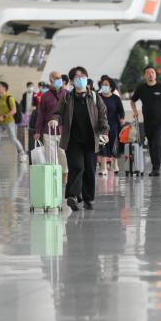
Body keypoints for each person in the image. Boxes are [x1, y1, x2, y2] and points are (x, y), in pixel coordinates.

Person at [48, 66, 109, 212]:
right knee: (77, 167)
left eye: (83, 76)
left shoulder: (95, 97)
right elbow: (58, 113)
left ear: (87, 79)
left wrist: (104, 131)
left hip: (91, 139)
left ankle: (88, 198)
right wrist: (55, 120)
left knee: (89, 169)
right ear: (71, 82)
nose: (80, 79)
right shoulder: (67, 97)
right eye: (77, 77)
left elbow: (102, 117)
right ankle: (73, 196)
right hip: (73, 139)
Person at [130, 66, 161, 177]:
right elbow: (132, 101)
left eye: (152, 73)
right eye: (148, 73)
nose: (150, 75)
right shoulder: (141, 88)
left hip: (160, 121)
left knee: (157, 142)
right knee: (151, 144)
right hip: (147, 121)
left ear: (155, 75)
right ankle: (155, 167)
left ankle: (156, 167)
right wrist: (135, 111)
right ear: (145, 75)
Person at [35, 71, 69, 183]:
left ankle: (65, 174)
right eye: (55, 78)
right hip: (48, 131)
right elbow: (41, 114)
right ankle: (54, 179)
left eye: (59, 77)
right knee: (51, 157)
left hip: (63, 131)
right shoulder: (45, 96)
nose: (58, 79)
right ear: (50, 80)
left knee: (63, 154)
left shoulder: (67, 94)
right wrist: (37, 131)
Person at [0, 81, 27, 162]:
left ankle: (22, 153)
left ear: (4, 88)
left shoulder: (9, 98)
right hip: (0, 123)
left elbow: (14, 110)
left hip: (9, 122)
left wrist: (4, 116)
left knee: (13, 139)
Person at [97, 76, 124, 176]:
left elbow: (121, 111)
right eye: (103, 85)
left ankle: (115, 164)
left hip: (113, 125)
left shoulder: (115, 98)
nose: (104, 86)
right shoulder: (97, 96)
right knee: (102, 145)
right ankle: (103, 167)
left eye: (107, 85)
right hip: (101, 125)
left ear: (111, 87)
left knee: (114, 145)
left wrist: (122, 119)